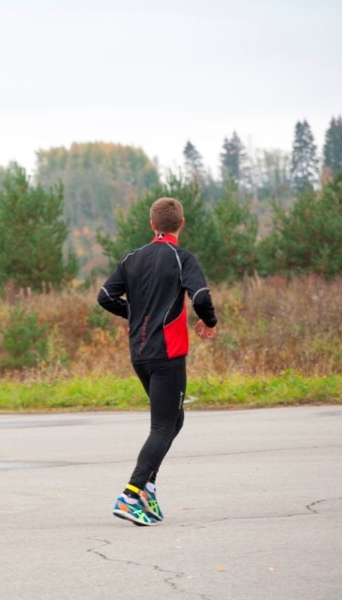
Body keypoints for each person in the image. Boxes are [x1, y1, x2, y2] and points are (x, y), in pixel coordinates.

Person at [97, 197, 217, 526]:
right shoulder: (182, 258)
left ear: (152, 224)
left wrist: (134, 314)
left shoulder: (132, 258)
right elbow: (202, 297)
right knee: (164, 425)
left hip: (140, 354)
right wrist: (210, 321)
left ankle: (148, 486)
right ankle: (130, 494)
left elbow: (105, 297)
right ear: (181, 223)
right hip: (168, 354)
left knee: (174, 421)